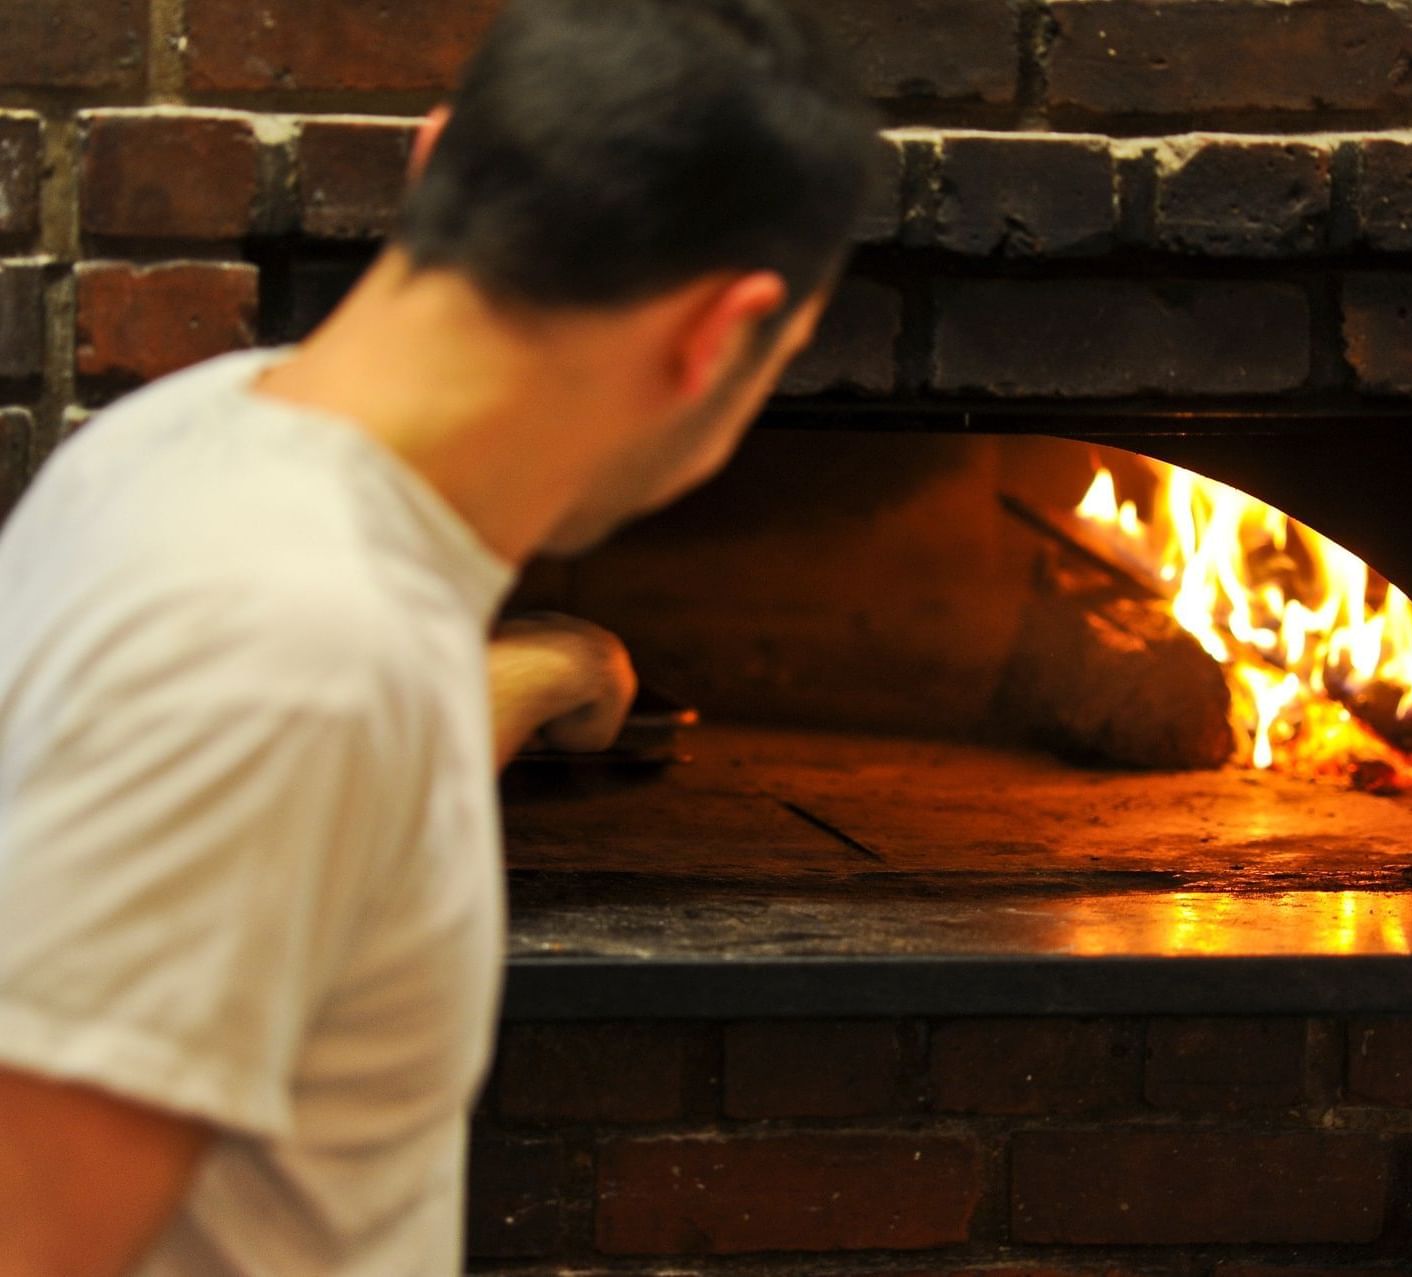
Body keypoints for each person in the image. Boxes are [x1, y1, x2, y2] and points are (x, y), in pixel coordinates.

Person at [0, 0, 879, 1271]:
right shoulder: (293, 648)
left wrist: (551, 665)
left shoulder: (195, 435)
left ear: (431, 160)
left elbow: (327, 801)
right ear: (718, 334)